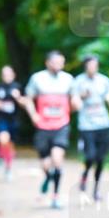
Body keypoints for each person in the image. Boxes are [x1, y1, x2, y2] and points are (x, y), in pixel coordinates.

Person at [22, 51, 75, 209]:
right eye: (56, 62)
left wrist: (74, 105)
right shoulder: (37, 78)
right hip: (43, 126)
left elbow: (74, 99)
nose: (59, 65)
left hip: (61, 124)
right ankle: (48, 176)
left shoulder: (68, 79)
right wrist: (33, 115)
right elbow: (28, 99)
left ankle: (56, 196)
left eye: (62, 62)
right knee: (45, 164)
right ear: (48, 63)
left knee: (57, 159)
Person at [71, 54, 109, 201]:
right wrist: (81, 97)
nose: (93, 68)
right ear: (85, 66)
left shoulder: (104, 81)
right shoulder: (78, 81)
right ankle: (85, 174)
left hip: (103, 124)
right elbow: (73, 105)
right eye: (90, 65)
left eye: (95, 65)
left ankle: (96, 190)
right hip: (86, 126)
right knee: (90, 156)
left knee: (100, 159)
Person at [0, 65, 22, 181]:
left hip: (14, 120)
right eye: (4, 74)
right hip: (1, 118)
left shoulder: (17, 87)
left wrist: (18, 97)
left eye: (9, 74)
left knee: (10, 145)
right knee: (3, 140)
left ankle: (7, 167)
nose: (6, 77)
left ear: (13, 75)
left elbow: (24, 102)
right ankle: (2, 158)